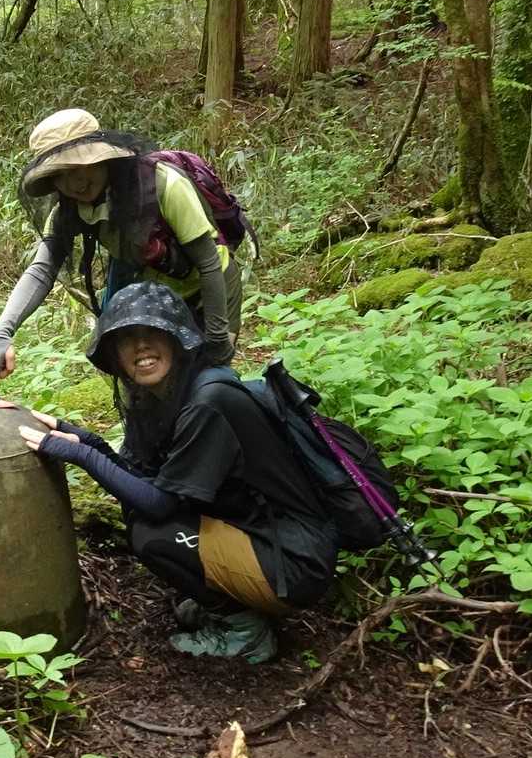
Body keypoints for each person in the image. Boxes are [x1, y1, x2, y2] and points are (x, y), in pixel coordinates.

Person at [18, 283, 338, 664]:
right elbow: (143, 478)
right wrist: (91, 442)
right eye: (127, 338)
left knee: (153, 535)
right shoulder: (161, 397)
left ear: (177, 338)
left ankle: (245, 631)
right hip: (257, 534)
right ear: (114, 354)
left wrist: (82, 455)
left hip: (294, 562)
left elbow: (159, 504)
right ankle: (229, 601)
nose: (141, 347)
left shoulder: (209, 401)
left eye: (153, 332)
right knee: (142, 516)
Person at [0, 108, 241, 395]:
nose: (76, 183)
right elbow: (42, 270)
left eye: (83, 166)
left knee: (209, 385)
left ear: (104, 158)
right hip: (153, 298)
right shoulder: (68, 211)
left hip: (209, 289)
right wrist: (2, 333)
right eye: (61, 175)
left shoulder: (162, 184)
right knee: (145, 389)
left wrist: (217, 338)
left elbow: (209, 262)